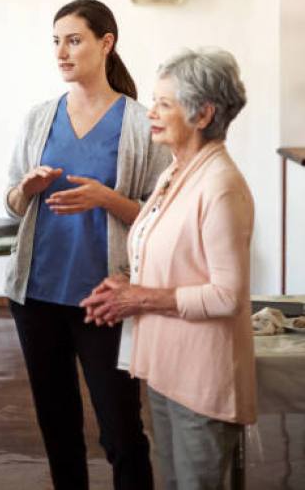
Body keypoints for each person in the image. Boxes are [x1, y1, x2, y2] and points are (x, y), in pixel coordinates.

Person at [4, 0, 170, 490]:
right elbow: (12, 203)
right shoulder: (39, 118)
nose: (61, 52)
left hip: (106, 298)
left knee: (121, 430)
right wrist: (27, 189)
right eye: (56, 42)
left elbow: (161, 218)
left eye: (73, 40)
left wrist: (107, 198)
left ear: (106, 43)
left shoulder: (143, 123)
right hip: (36, 296)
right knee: (57, 428)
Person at [81, 48, 255, 490]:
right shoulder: (175, 173)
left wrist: (140, 298)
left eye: (164, 104)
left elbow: (226, 295)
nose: (150, 113)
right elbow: (170, 258)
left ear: (203, 115)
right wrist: (125, 284)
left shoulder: (220, 186)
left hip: (201, 379)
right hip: (164, 368)